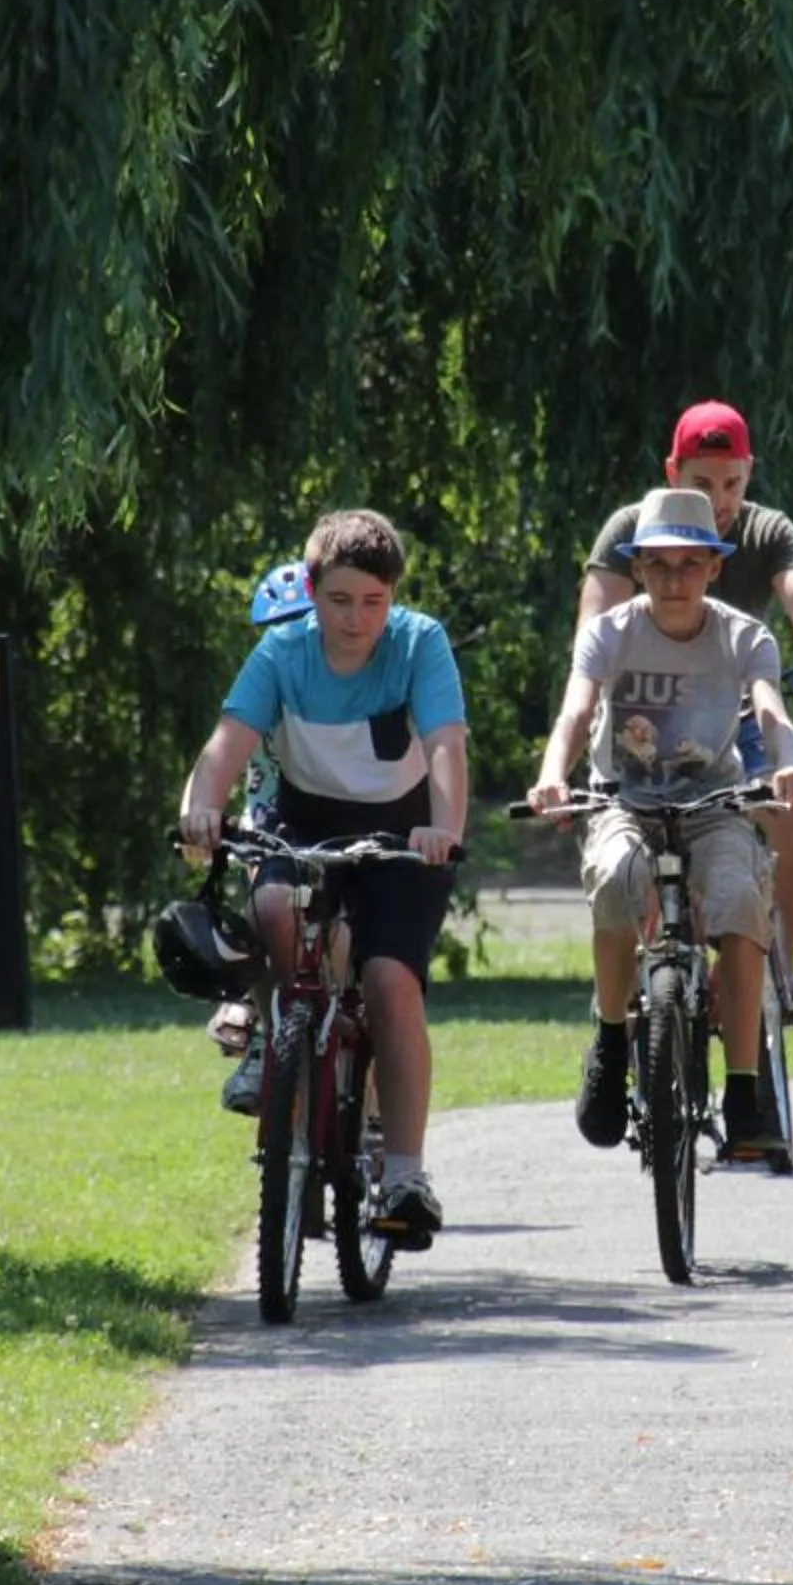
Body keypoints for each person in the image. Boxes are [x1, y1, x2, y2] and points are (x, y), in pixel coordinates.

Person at [177, 511, 469, 1244]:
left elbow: (446, 749)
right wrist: (199, 813)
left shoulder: (419, 643)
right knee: (277, 919)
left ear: (392, 596)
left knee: (388, 981)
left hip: (405, 835)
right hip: (306, 825)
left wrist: (445, 829)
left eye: (373, 602)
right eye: (339, 601)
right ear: (312, 590)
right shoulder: (281, 652)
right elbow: (224, 749)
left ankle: (403, 1173)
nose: (356, 619)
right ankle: (279, 1065)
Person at [533, 486, 793, 1160]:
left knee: (742, 903)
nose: (673, 579)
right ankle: (609, 1041)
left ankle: (745, 1090)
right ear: (636, 569)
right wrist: (552, 774)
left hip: (711, 803)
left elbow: (772, 712)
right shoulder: (608, 633)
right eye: (657, 565)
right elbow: (576, 713)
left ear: (715, 567)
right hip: (623, 799)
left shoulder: (744, 636)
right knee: (616, 876)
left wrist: (789, 764)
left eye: (690, 564)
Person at [580, 401, 793, 1020]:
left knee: (792, 814)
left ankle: (778, 970)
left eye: (732, 483)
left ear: (749, 473)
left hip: (734, 711)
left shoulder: (768, 530)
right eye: (702, 483)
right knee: (619, 839)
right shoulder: (631, 531)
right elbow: (595, 623)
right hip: (642, 708)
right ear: (673, 471)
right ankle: (642, 962)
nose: (720, 499)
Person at [206, 559, 319, 1074]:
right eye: (277, 630)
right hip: (274, 822)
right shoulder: (260, 689)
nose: (288, 640)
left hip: (340, 821)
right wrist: (202, 816)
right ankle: (261, 1035)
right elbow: (223, 757)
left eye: (301, 625)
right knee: (263, 902)